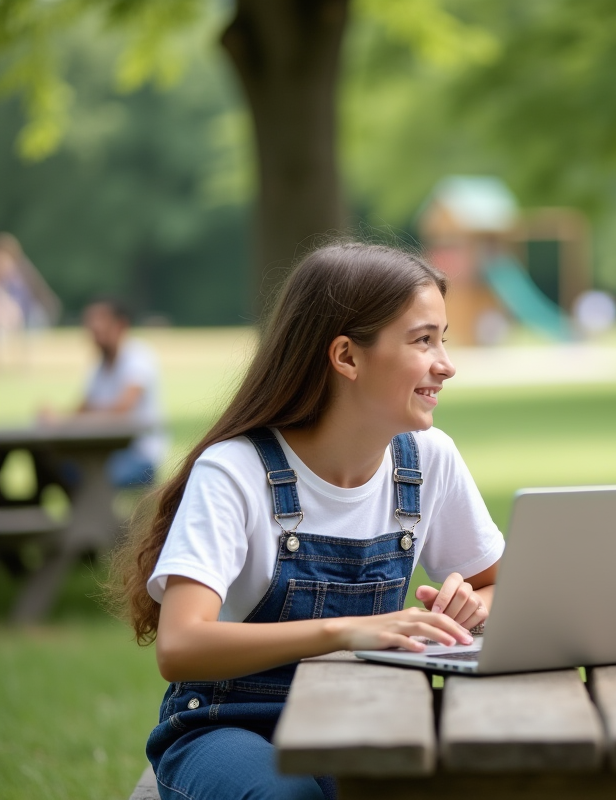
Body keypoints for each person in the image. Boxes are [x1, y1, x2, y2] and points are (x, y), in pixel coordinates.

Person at [106, 242, 505, 799]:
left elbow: (501, 586)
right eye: (422, 340)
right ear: (347, 356)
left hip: (362, 721)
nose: (446, 363)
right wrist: (345, 632)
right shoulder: (235, 470)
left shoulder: (428, 458)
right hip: (229, 727)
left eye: (443, 338)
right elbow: (180, 646)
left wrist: (471, 605)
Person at [65, 297, 169, 487]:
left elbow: (122, 409)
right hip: (106, 452)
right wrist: (59, 419)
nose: (93, 327)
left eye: (100, 320)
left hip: (139, 455)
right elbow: (83, 407)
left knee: (88, 478)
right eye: (89, 321)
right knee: (58, 468)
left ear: (121, 325)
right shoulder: (100, 365)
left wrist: (83, 415)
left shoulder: (138, 356)